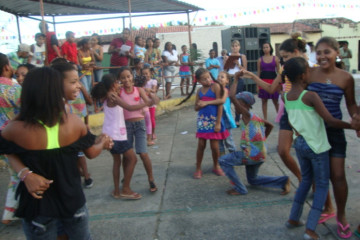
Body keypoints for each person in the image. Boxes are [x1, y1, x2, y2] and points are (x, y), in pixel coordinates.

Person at [0, 67, 113, 239]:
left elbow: (6, 149)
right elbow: (91, 153)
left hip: (38, 208)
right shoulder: (74, 124)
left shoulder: (15, 129)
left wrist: (25, 174)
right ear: (57, 91)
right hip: (72, 202)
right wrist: (103, 142)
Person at [283, 57, 352, 240]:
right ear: (303, 75)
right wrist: (352, 126)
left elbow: (291, 121)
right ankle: (311, 229)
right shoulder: (310, 96)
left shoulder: (286, 96)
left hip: (300, 144)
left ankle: (294, 218)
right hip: (317, 146)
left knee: (305, 181)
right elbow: (330, 120)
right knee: (321, 186)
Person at [307, 37, 357, 238]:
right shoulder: (309, 74)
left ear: (337, 53)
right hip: (313, 132)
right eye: (318, 52)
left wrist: (355, 117)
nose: (322, 56)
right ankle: (327, 208)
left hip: (335, 132)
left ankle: (341, 215)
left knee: (338, 176)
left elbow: (351, 104)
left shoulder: (346, 78)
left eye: (327, 52)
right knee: (318, 177)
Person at [244, 33, 306, 183]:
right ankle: (302, 178)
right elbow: (271, 88)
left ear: (296, 53)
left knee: (306, 152)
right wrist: (253, 77)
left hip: (305, 113)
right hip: (288, 111)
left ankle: (313, 182)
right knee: (283, 151)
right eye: (282, 57)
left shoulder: (310, 69)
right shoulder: (284, 69)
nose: (283, 61)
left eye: (285, 56)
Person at [219, 74, 290, 196]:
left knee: (223, 161)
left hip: (250, 154)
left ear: (245, 105)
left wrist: (235, 79)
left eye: (239, 103)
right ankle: (283, 181)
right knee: (253, 180)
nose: (236, 106)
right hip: (260, 153)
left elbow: (231, 96)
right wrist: (260, 141)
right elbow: (270, 126)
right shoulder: (255, 116)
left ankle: (240, 188)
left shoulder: (246, 115)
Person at [92, 74, 152, 199]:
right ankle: (125, 189)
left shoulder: (107, 96)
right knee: (133, 159)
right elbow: (129, 107)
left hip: (109, 134)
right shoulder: (113, 96)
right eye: (117, 82)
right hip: (117, 135)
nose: (120, 84)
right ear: (112, 84)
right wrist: (148, 102)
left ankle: (117, 191)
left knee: (117, 161)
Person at [114, 67, 158, 192]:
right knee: (126, 156)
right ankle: (126, 177)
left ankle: (151, 179)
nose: (126, 79)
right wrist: (147, 103)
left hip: (139, 124)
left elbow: (152, 101)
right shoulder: (119, 92)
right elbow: (128, 107)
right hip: (126, 126)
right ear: (120, 80)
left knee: (143, 153)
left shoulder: (138, 90)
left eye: (128, 76)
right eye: (123, 77)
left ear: (132, 76)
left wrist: (152, 95)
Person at [51, 62, 94, 189]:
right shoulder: (64, 111)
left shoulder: (60, 108)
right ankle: (86, 176)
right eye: (73, 82)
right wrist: (102, 141)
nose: (78, 86)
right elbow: (91, 152)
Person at [193, 68, 229, 179]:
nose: (208, 80)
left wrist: (218, 122)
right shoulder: (199, 91)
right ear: (199, 81)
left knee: (214, 147)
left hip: (214, 121)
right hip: (203, 121)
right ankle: (198, 168)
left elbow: (220, 104)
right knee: (201, 145)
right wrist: (199, 105)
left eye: (208, 77)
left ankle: (216, 166)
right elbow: (195, 108)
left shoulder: (215, 87)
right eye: (204, 79)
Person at [0, 53, 21, 225]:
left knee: (15, 173)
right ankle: (9, 213)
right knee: (20, 172)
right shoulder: (14, 89)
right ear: (7, 67)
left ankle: (9, 212)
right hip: (15, 137)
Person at [224, 40, 247, 126]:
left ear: (239, 47)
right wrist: (225, 61)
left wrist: (238, 64)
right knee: (228, 100)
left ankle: (237, 119)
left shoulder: (242, 56)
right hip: (230, 79)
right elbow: (225, 69)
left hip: (238, 79)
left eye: (236, 46)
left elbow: (245, 70)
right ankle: (228, 118)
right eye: (233, 46)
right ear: (231, 47)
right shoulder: (228, 56)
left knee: (237, 99)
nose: (235, 47)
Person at [257, 42, 280, 120]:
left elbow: (279, 72)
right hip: (263, 82)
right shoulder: (260, 60)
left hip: (274, 81)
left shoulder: (276, 58)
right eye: (264, 47)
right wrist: (257, 85)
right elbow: (258, 73)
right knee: (264, 101)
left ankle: (280, 117)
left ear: (270, 48)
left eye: (267, 47)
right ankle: (265, 119)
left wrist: (280, 84)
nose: (265, 49)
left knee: (275, 101)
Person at [217, 71, 236, 156]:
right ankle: (222, 159)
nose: (219, 78)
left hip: (225, 121)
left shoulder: (225, 91)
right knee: (219, 143)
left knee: (229, 141)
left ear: (227, 81)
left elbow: (222, 101)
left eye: (222, 77)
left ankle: (234, 157)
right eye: (218, 77)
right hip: (217, 120)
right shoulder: (215, 90)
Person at [142, 66, 159, 141]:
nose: (145, 75)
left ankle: (153, 133)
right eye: (143, 74)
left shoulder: (153, 81)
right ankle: (148, 133)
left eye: (147, 73)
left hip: (151, 103)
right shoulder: (142, 82)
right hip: (144, 103)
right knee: (145, 120)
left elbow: (154, 90)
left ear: (150, 73)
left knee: (152, 119)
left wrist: (149, 90)